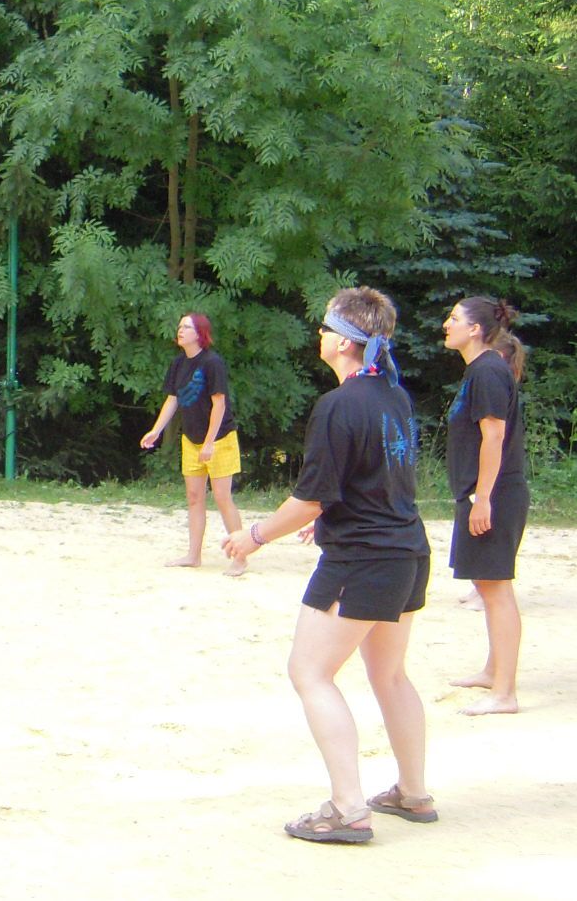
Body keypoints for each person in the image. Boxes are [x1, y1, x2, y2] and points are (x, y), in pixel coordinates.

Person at [222, 287, 435, 844]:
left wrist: (253, 536)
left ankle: (348, 809)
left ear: (344, 342)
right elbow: (373, 480)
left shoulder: (338, 404)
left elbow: (311, 498)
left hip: (363, 558)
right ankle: (413, 793)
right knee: (390, 674)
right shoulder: (393, 395)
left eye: (325, 328)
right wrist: (329, 516)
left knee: (310, 672)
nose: (318, 335)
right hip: (407, 551)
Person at [442, 296, 529, 716]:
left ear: (475, 329)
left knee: (496, 589)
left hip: (496, 495)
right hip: (485, 494)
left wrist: (483, 498)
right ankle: (494, 671)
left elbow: (494, 437)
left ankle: (504, 694)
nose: (447, 324)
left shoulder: (489, 371)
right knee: (486, 584)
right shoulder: (480, 369)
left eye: (454, 318)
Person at [140, 313, 247, 575]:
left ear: (199, 333)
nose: (180, 330)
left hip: (219, 438)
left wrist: (209, 442)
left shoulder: (212, 363)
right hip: (191, 438)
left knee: (222, 497)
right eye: (179, 326)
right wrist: (156, 430)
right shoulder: (178, 363)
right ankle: (193, 555)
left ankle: (240, 556)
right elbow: (172, 399)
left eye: (186, 327)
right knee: (194, 497)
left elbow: (219, 404)